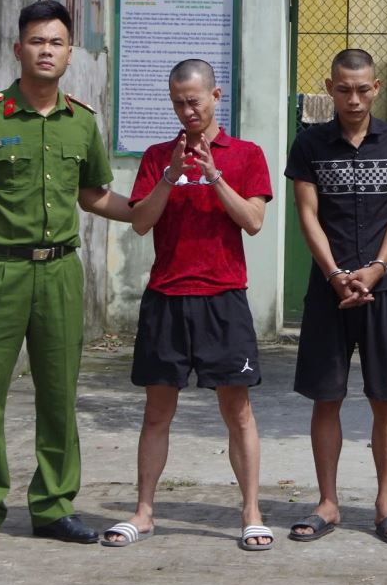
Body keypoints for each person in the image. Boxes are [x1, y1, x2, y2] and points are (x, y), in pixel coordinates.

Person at [0, 0, 134, 552]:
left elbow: (94, 194)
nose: (46, 50)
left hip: (60, 274)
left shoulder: (81, 121)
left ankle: (52, 506)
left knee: (59, 394)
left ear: (70, 53)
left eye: (56, 42)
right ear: (18, 49)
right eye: (37, 41)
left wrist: (150, 209)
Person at [99, 59, 275, 551]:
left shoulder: (245, 154)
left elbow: (254, 222)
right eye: (177, 101)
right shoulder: (159, 156)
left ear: (216, 96)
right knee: (157, 412)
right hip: (167, 299)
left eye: (194, 100)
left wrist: (216, 178)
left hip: (223, 299)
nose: (186, 110)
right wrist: (170, 177)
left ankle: (251, 512)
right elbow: (139, 223)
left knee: (237, 410)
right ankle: (144, 511)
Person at [284, 49, 387, 545]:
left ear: (377, 87)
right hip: (329, 293)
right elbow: (306, 214)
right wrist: (334, 273)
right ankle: (328, 502)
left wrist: (378, 267)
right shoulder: (309, 144)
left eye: (363, 88)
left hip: (383, 289)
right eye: (343, 89)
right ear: (329, 86)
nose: (353, 98)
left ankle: (386, 505)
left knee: (385, 397)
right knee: (327, 397)